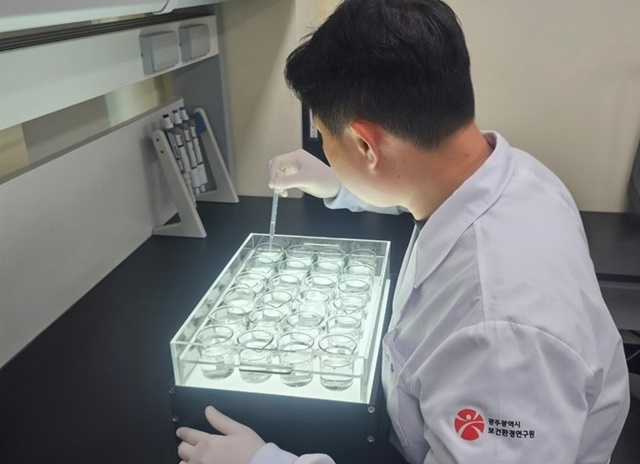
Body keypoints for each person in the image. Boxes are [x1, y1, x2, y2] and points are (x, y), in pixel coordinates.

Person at [176, 0, 630, 463]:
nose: (325, 151)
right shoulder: (513, 172)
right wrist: (339, 182)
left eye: (325, 139)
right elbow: (420, 178)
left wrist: (264, 462)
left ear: (365, 144)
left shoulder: (499, 336)